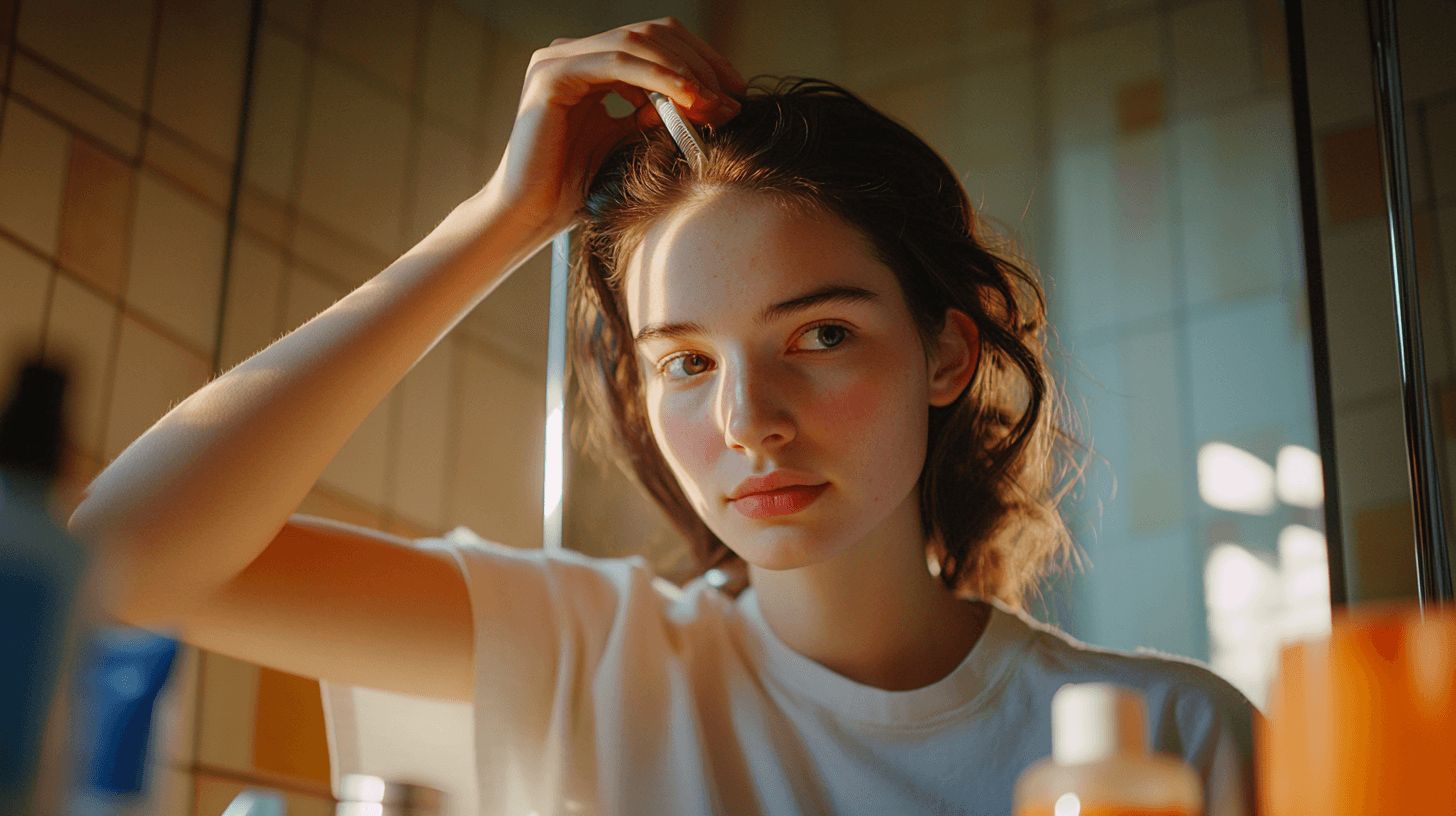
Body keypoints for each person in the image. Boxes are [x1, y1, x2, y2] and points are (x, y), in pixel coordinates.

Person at [71, 19, 1256, 816]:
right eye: (685, 361)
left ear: (946, 352)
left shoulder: (1173, 742)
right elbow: (118, 565)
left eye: (821, 335)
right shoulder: (587, 653)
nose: (749, 421)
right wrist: (500, 220)